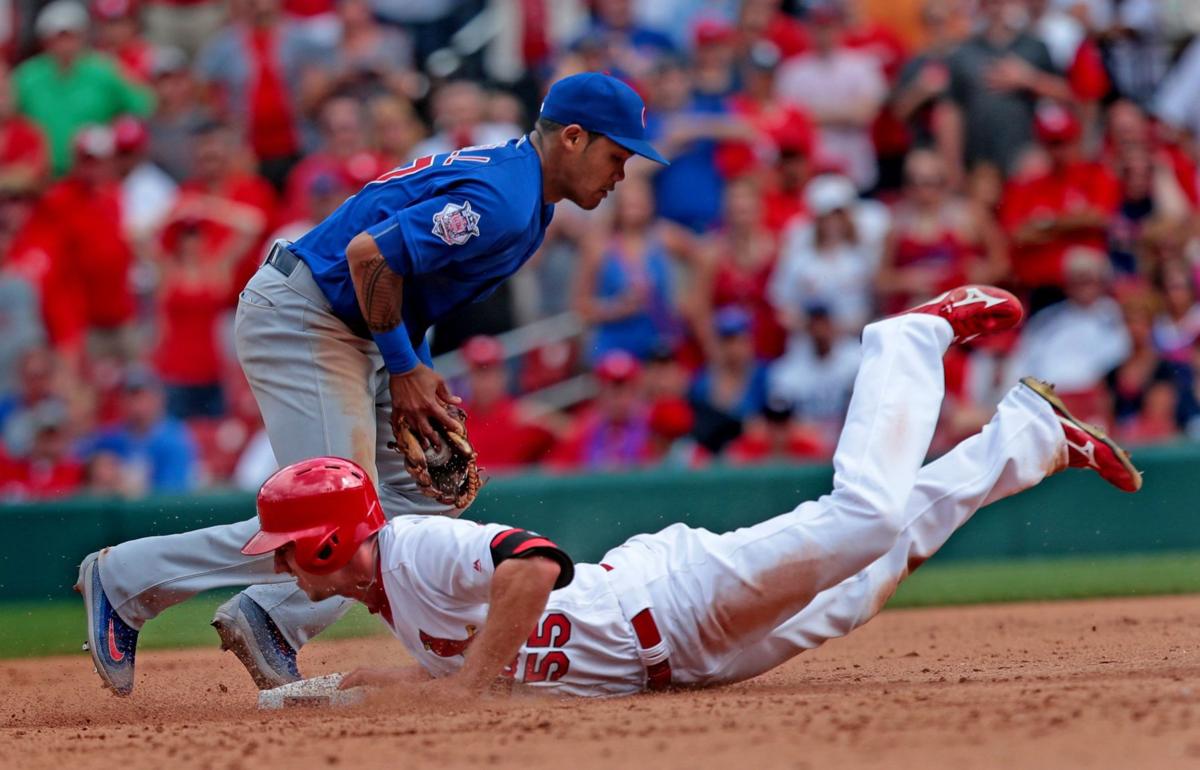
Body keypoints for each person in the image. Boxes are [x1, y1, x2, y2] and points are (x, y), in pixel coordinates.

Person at [128, 286, 1139, 700]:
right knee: (882, 560)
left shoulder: (412, 551)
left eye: (284, 552)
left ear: (319, 546)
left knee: (864, 516)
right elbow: (449, 679)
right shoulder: (387, 600)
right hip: (689, 664)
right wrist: (335, 695)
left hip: (680, 598)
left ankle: (906, 340)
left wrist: (470, 696)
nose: (283, 569)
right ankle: (1030, 433)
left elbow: (531, 564)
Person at [75, 72, 668, 696]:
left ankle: (272, 616)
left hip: (357, 326)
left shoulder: (527, 198)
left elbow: (412, 280)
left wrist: (416, 364)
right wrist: (405, 368)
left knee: (428, 500)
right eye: (617, 155)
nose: (621, 174)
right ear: (573, 137)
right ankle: (127, 580)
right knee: (331, 517)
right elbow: (369, 255)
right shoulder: (503, 198)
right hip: (307, 316)